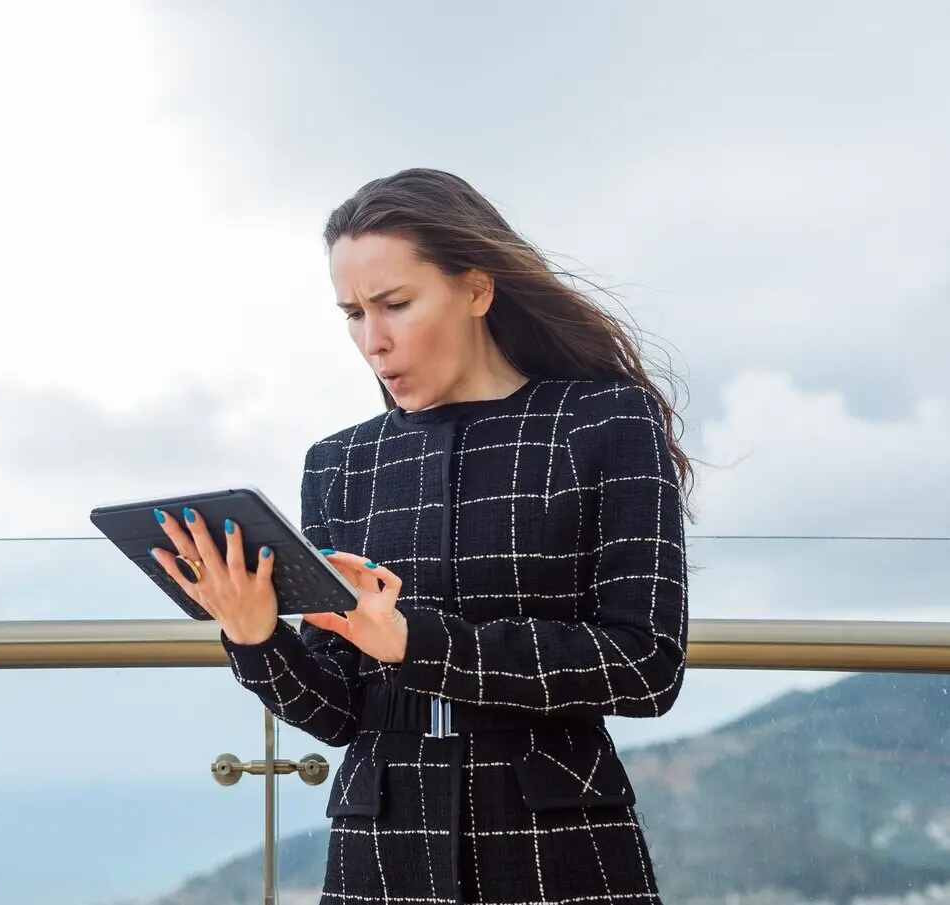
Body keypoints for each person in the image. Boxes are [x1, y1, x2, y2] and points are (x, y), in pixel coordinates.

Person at [150, 167, 690, 905]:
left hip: (558, 850)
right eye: (352, 313)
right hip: (379, 854)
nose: (373, 340)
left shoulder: (602, 422)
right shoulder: (340, 464)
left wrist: (415, 642)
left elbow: (647, 664)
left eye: (395, 304)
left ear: (476, 289)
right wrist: (254, 634)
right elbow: (339, 711)